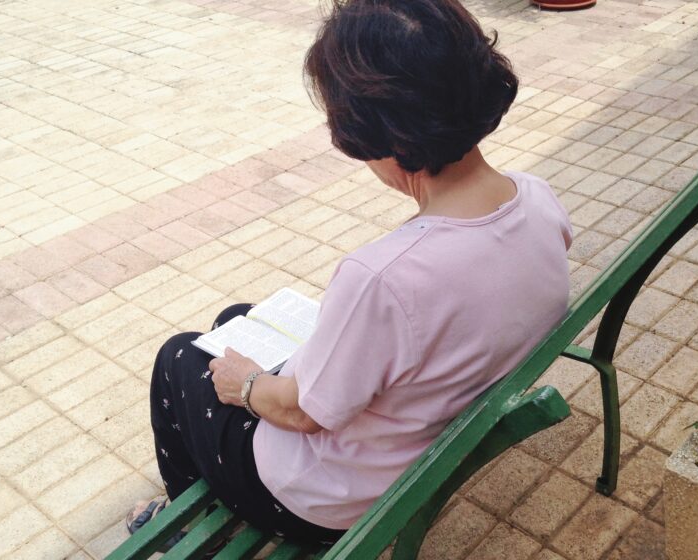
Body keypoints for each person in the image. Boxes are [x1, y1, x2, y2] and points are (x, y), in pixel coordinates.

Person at [126, 0, 572, 549]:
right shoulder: (537, 199)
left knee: (181, 358)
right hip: (427, 430)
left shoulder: (382, 276)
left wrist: (244, 386)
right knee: (235, 321)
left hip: (327, 500)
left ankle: (187, 532)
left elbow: (304, 414)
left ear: (382, 136)